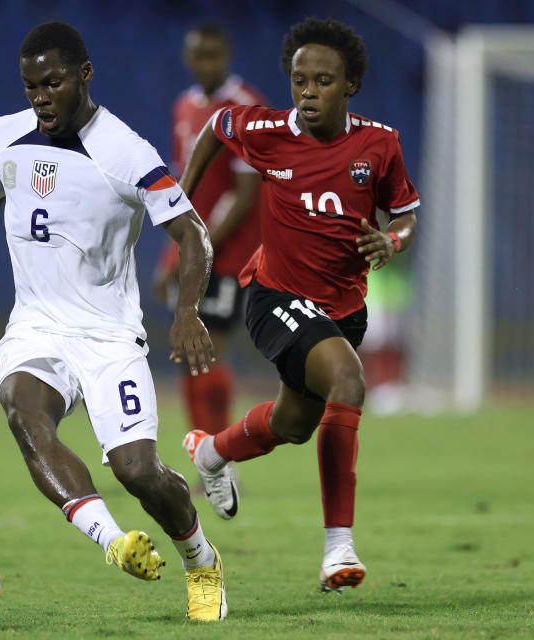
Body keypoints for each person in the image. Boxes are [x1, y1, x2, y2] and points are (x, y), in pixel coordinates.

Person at [0, 22, 227, 621]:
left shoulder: (126, 153)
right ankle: (114, 543)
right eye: (30, 87)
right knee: (24, 412)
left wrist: (187, 312)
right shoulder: (3, 137)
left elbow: (193, 235)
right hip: (36, 328)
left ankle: (201, 559)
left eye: (52, 83)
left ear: (84, 74)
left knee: (139, 473)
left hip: (110, 337)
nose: (40, 97)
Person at [178, 17, 419, 593]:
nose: (309, 93)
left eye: (323, 82)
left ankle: (211, 452)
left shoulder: (379, 144)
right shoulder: (266, 130)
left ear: (350, 85)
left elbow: (406, 214)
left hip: (344, 309)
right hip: (275, 296)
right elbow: (216, 126)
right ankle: (339, 549)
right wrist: (181, 199)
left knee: (292, 424)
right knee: (349, 382)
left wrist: (393, 239)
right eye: (300, 80)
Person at [153, 23, 264, 442]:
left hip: (231, 254)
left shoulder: (245, 107)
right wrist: (172, 258)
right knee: (188, 353)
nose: (206, 63)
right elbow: (186, 192)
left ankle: (220, 454)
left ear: (227, 56)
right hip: (194, 251)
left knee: (207, 349)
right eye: (199, 55)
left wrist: (197, 250)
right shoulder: (184, 107)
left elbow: (244, 194)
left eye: (214, 55)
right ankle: (204, 452)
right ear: (188, 58)